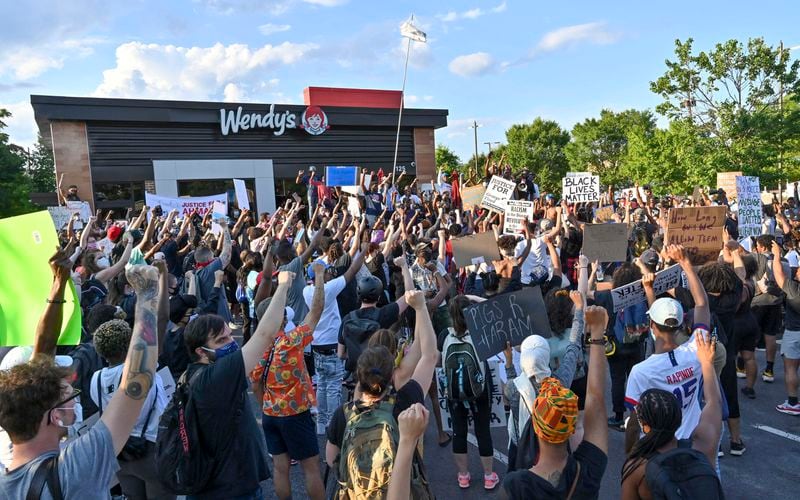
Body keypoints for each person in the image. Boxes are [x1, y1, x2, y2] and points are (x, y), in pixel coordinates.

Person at [0, 263, 161, 499]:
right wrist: (147, 294)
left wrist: (58, 286)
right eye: (69, 396)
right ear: (55, 416)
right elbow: (136, 381)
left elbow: (43, 350)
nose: (74, 401)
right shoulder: (79, 465)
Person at [179, 272, 298, 499]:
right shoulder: (215, 377)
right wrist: (282, 286)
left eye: (229, 336)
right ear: (201, 352)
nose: (232, 343)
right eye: (222, 340)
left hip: (224, 482)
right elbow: (265, 333)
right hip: (230, 488)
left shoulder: (195, 374)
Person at [325, 290, 438, 497]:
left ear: (359, 374)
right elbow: (430, 356)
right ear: (390, 374)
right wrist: (421, 308)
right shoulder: (405, 402)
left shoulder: (343, 414)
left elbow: (332, 460)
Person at [501, 305, 610, 499]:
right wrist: (593, 328)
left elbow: (509, 391)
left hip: (518, 452)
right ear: (570, 427)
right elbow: (595, 396)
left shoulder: (515, 486)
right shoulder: (587, 469)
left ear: (537, 426)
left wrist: (509, 364)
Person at [251, 263, 326, 500]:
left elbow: (255, 384)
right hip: (295, 413)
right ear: (282, 317)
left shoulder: (257, 348)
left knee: (280, 468)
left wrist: (267, 406)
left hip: (271, 414)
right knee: (311, 467)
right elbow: (316, 311)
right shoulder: (291, 341)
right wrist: (320, 276)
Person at [620, 332, 723, 499]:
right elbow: (714, 402)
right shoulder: (704, 443)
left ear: (645, 427)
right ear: (678, 419)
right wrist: (707, 363)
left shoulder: (638, 468)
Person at [625, 245, 710, 443]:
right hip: (691, 437)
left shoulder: (641, 371)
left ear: (651, 325)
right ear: (681, 324)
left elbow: (634, 421)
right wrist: (685, 264)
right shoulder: (697, 350)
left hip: (659, 445)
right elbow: (702, 304)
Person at [89, 319, 171, 500]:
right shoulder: (141, 371)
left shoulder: (96, 378)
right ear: (130, 344)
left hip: (120, 453)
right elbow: (163, 319)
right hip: (150, 448)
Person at [303, 244, 367, 435]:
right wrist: (364, 249)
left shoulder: (307, 291)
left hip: (316, 344)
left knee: (321, 384)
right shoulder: (329, 289)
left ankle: (321, 424)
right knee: (332, 387)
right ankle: (333, 425)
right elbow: (353, 270)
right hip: (331, 344)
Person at [441, 295, 500, 490]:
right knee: (483, 430)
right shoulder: (479, 332)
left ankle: (463, 476)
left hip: (454, 392)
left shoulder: (444, 336)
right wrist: (473, 297)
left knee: (459, 431)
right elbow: (493, 307)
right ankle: (489, 476)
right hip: (479, 389)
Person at [770, 239, 800, 415]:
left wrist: (776, 256)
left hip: (794, 332)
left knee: (790, 369)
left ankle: (792, 402)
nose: (796, 272)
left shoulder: (794, 289)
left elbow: (779, 275)